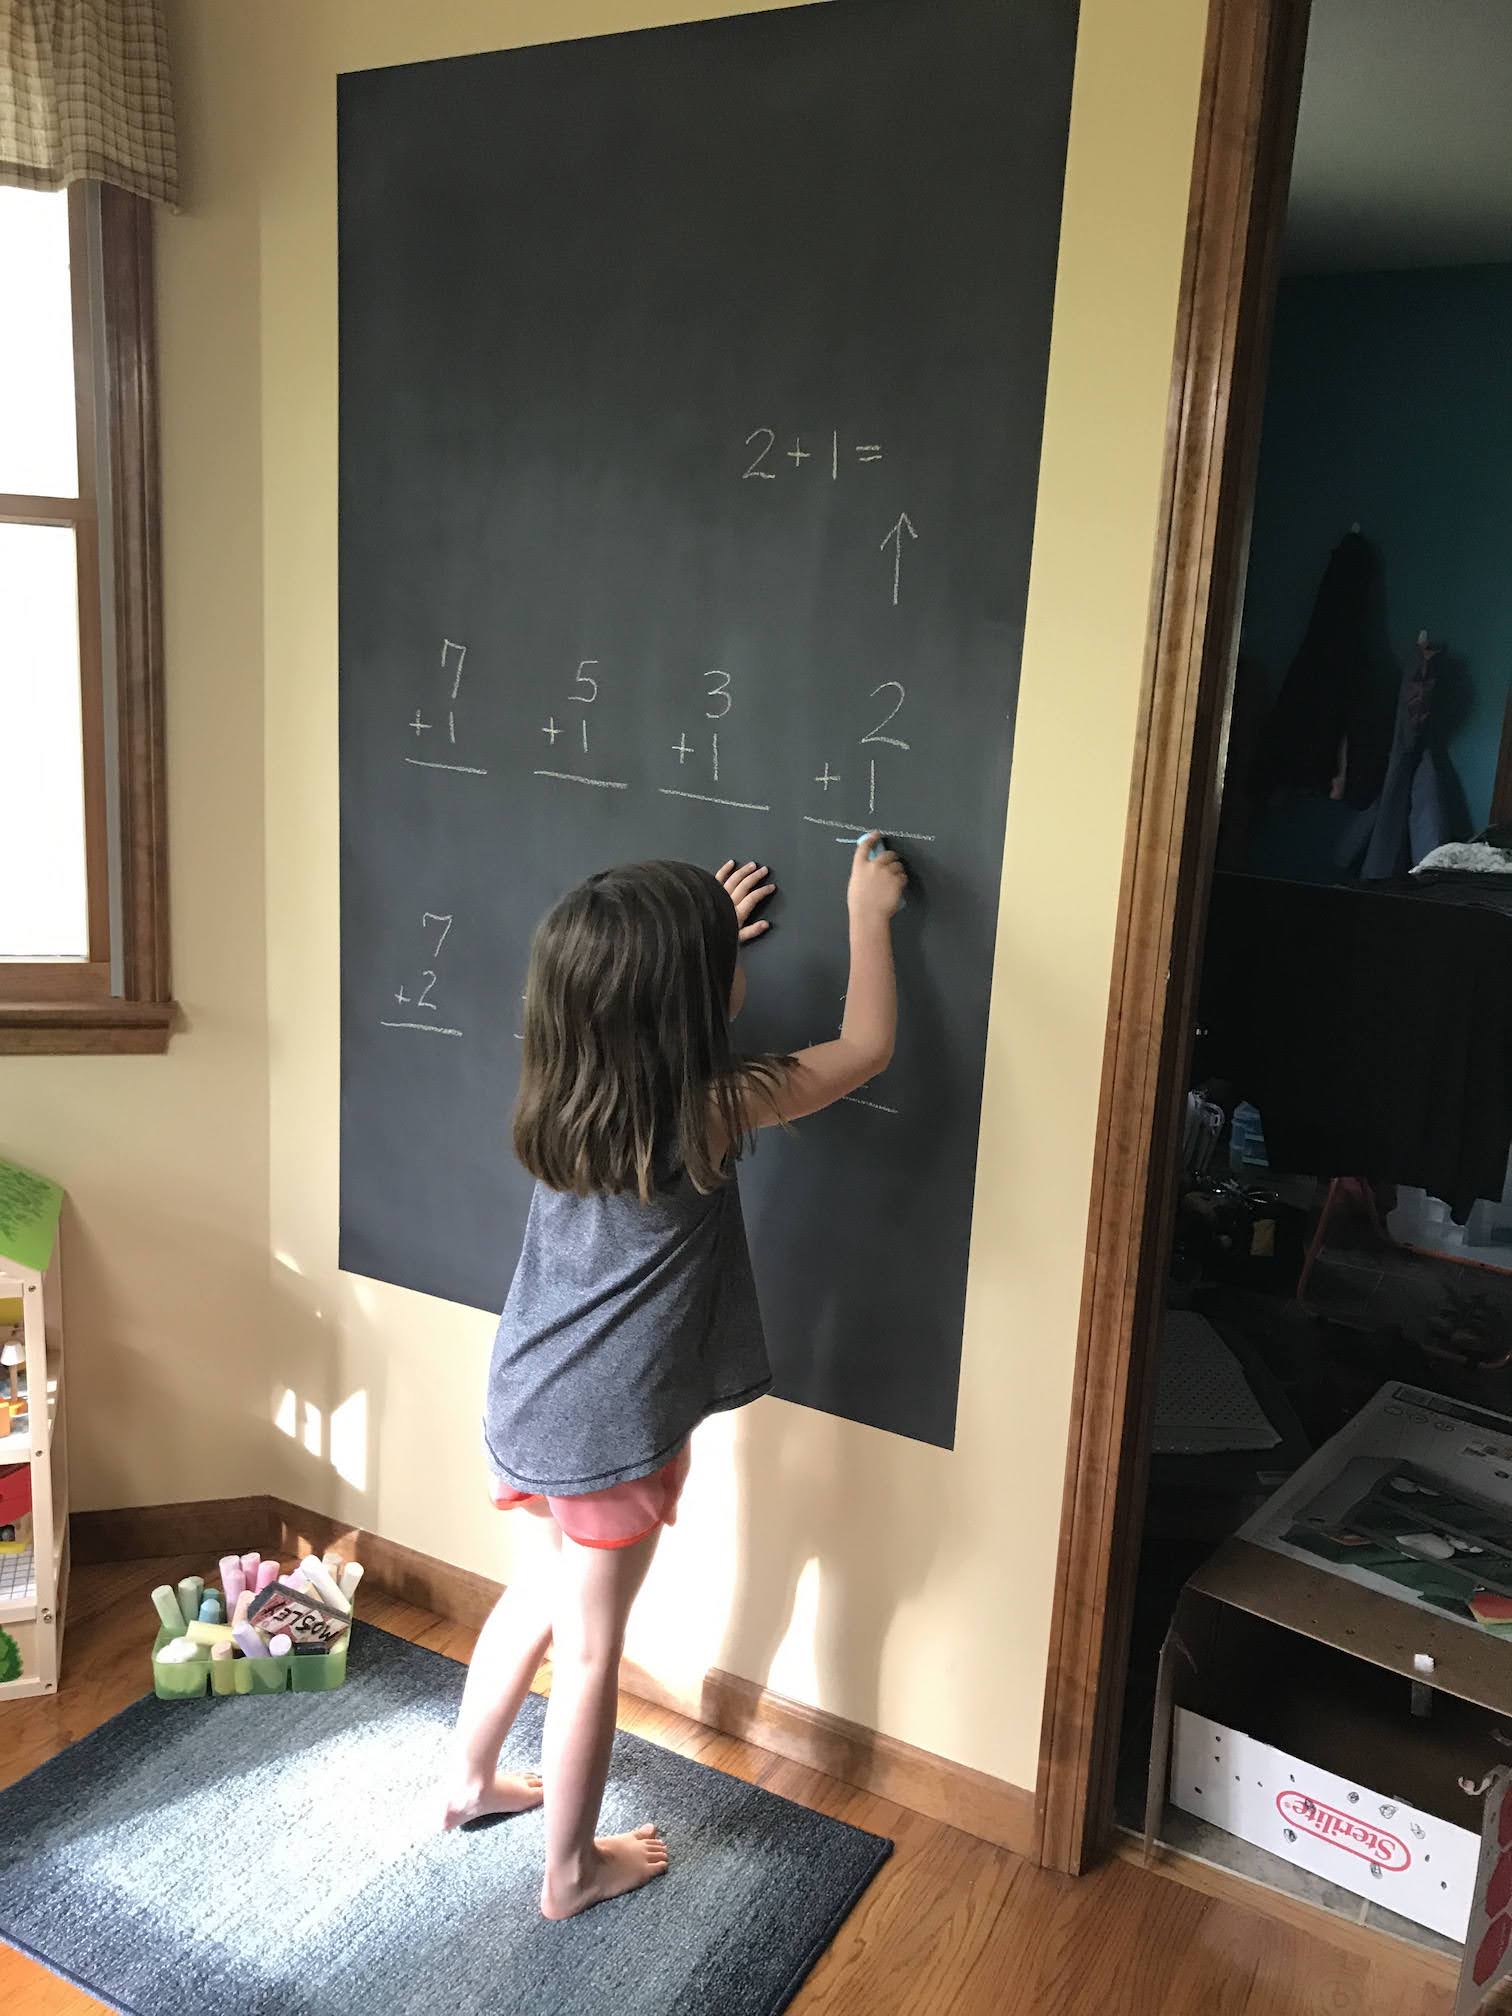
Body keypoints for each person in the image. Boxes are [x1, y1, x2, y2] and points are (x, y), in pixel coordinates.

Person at [442, 836, 907, 1918]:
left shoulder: (565, 1089)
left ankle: (467, 1783)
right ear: (692, 1003)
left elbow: (640, 1011)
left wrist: (694, 945)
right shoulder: (711, 1107)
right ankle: (568, 1871)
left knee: (532, 1599)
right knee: (594, 1652)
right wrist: (868, 913)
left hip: (524, 1394)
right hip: (609, 1433)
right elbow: (868, 1046)